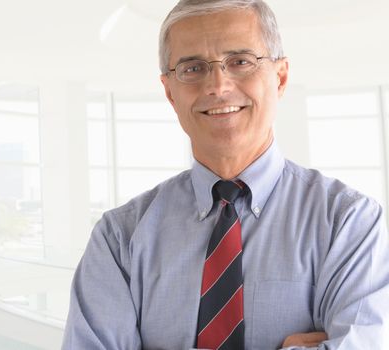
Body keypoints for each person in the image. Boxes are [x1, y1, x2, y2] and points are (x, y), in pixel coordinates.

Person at [62, 0, 389, 349]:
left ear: (280, 77)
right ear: (170, 92)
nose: (217, 86)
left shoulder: (348, 223)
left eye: (241, 62)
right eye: (192, 68)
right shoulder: (119, 240)